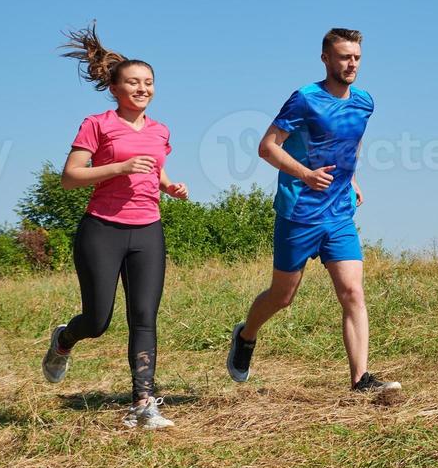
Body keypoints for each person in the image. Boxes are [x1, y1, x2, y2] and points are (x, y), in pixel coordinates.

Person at [227, 27, 400, 394]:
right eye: (343, 57)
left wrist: (350, 178)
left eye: (356, 57)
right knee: (283, 296)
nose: (351, 63)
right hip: (300, 212)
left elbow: (351, 141)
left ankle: (360, 380)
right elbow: (267, 147)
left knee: (352, 292)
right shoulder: (305, 99)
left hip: (338, 213)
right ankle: (246, 335)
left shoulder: (365, 101)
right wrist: (305, 174)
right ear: (326, 59)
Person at [42, 24, 189, 430]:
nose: (142, 89)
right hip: (102, 230)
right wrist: (119, 167)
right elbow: (70, 176)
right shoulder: (98, 124)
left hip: (148, 229)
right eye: (133, 83)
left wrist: (168, 185)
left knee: (144, 316)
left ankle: (143, 403)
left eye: (148, 83)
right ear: (115, 88)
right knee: (98, 320)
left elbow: (153, 168)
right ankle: (64, 340)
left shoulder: (161, 131)